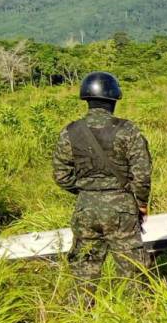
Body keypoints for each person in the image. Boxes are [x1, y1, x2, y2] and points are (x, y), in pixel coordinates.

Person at [52, 72, 152, 304]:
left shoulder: (70, 131)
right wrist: (142, 203)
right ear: (113, 100)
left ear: (86, 98)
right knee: (131, 270)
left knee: (84, 269)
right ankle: (132, 316)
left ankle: (78, 317)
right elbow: (142, 174)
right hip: (122, 207)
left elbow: (60, 175)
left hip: (85, 207)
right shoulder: (128, 130)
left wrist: (86, 192)